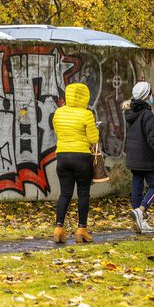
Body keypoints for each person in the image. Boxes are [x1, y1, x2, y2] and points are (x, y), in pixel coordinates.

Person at [124, 81, 154, 234]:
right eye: (150, 94)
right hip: (147, 159)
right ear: (146, 96)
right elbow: (153, 140)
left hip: (134, 157)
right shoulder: (147, 115)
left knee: (136, 189)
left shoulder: (131, 113)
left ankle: (140, 222)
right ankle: (141, 211)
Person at [52, 82, 99, 243]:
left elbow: (58, 132)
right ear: (85, 96)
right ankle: (81, 230)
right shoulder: (86, 114)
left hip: (62, 156)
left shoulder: (58, 113)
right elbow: (93, 139)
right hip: (81, 158)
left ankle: (58, 229)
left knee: (65, 193)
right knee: (83, 194)